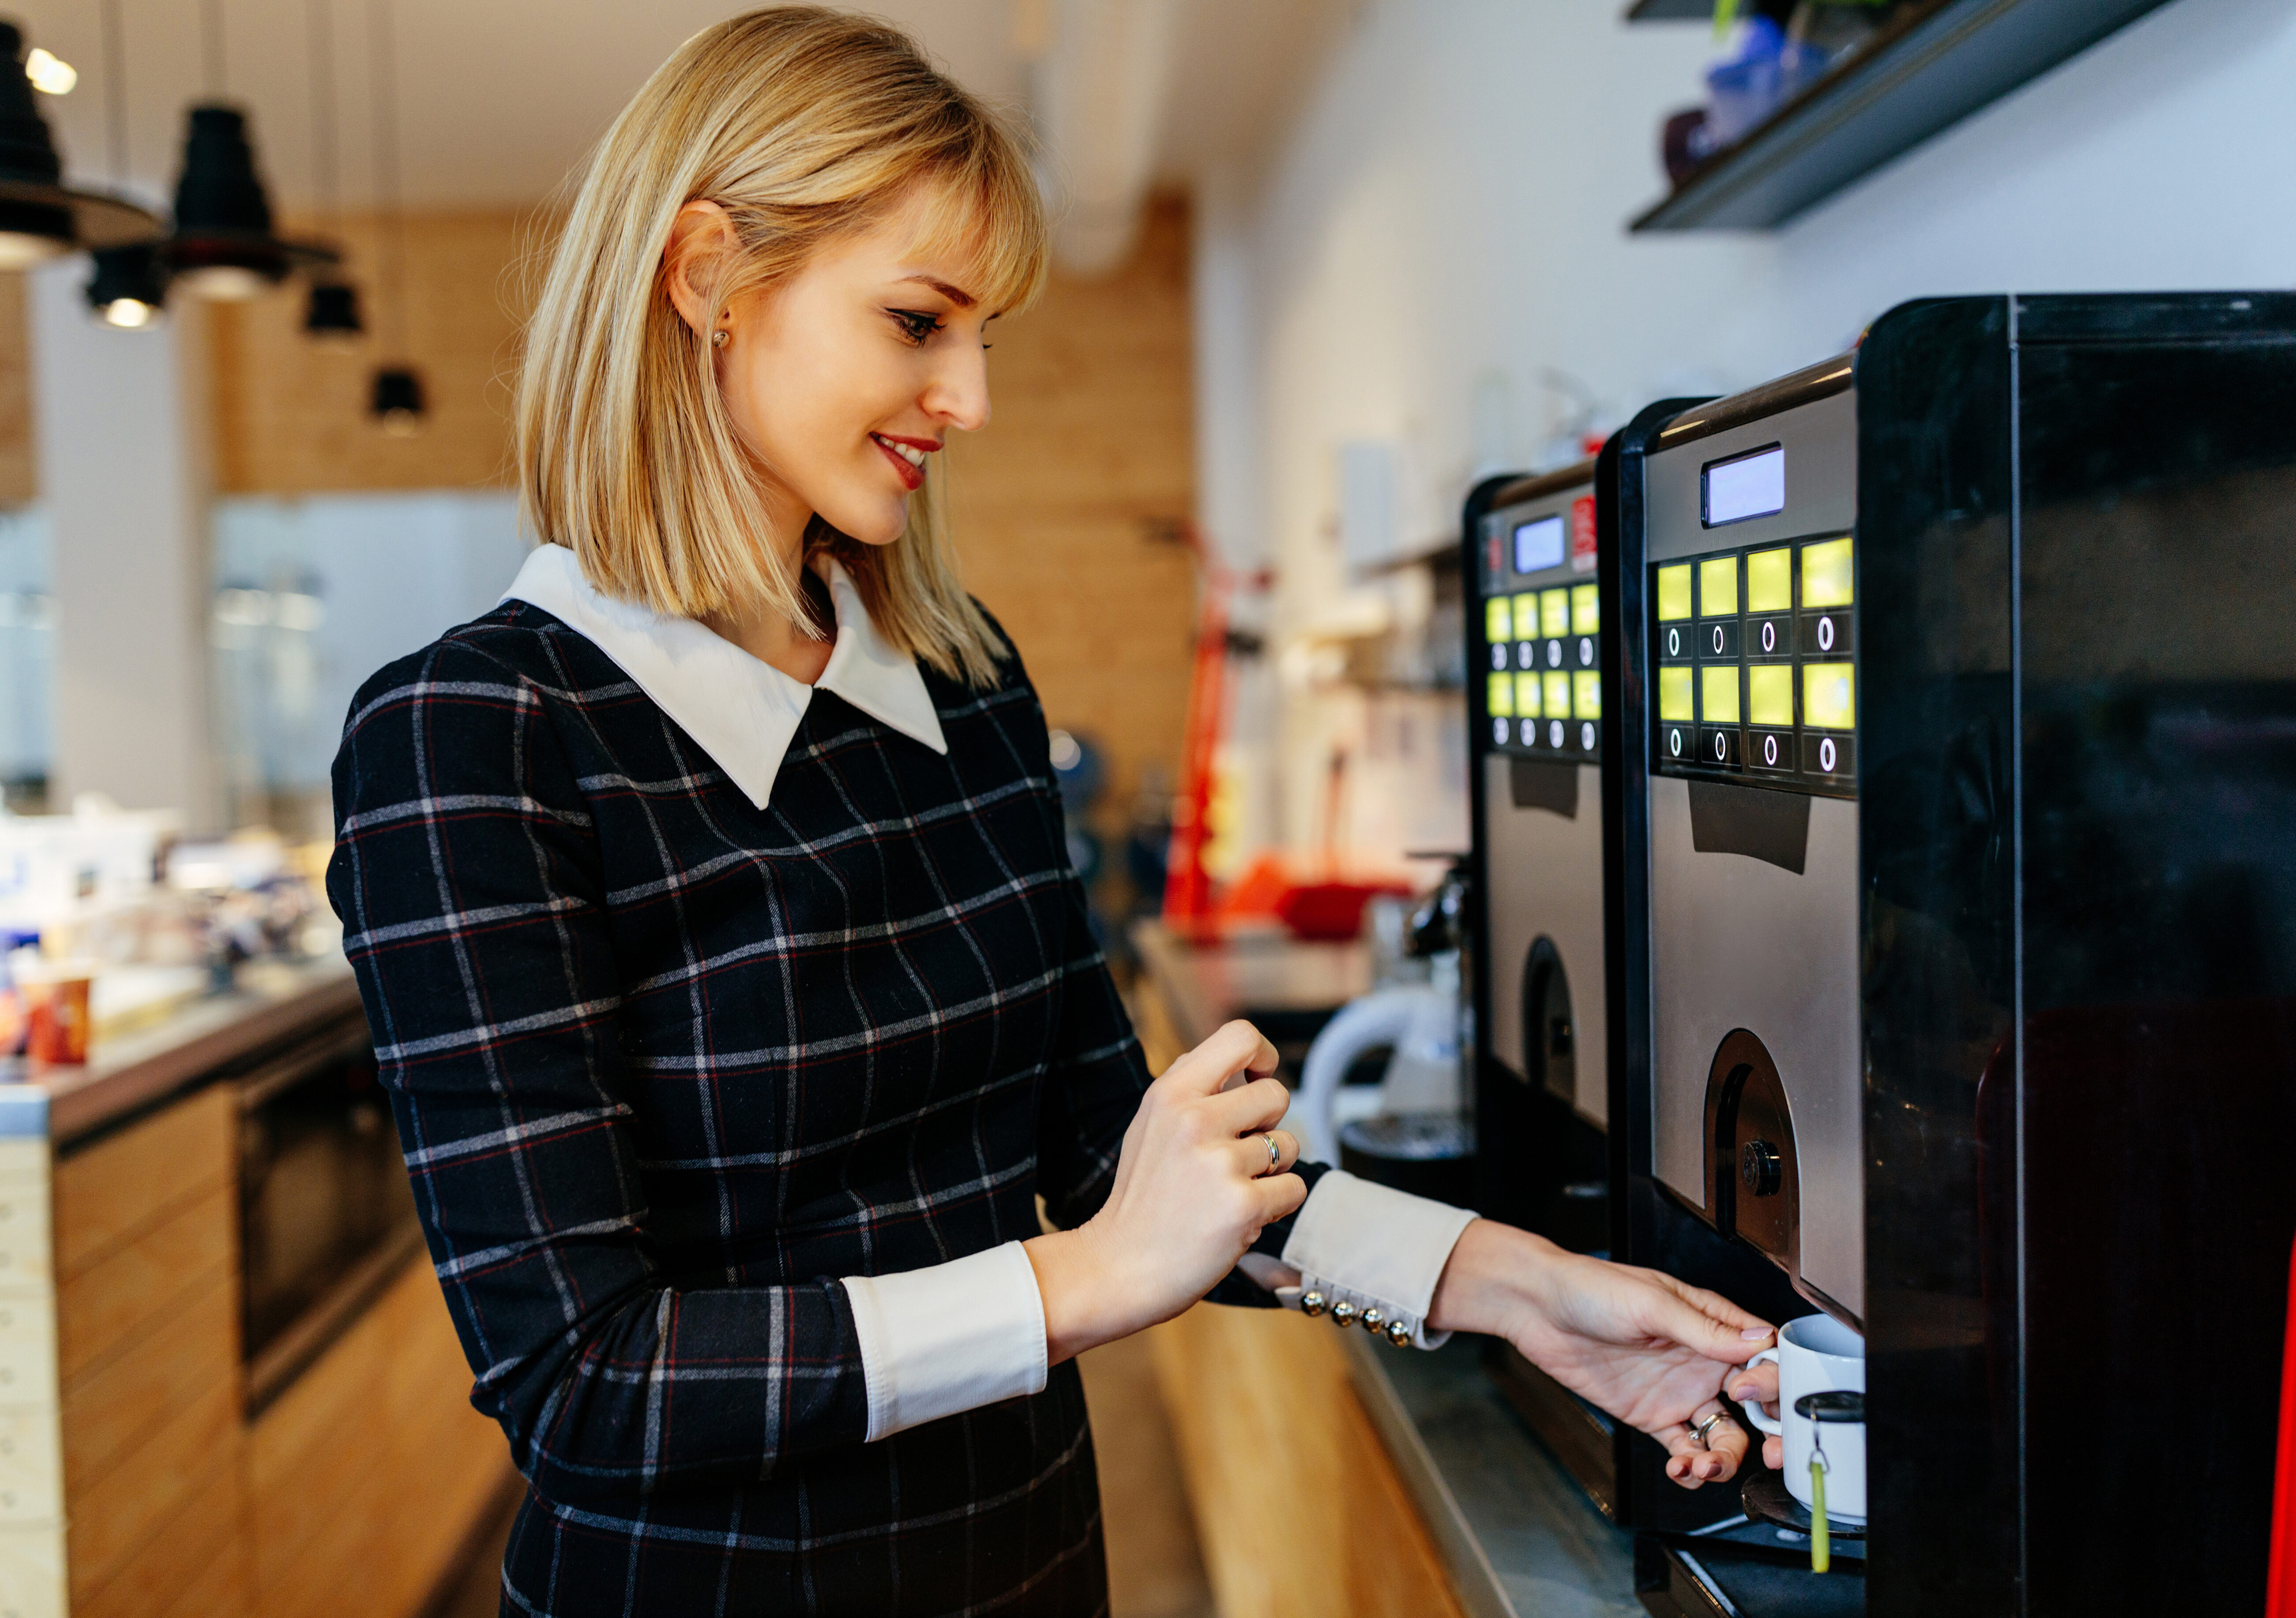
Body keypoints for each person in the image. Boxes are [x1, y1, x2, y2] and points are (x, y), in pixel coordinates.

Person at [327, 11, 1779, 1615]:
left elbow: (1113, 1155)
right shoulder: (477, 734)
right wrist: (1083, 1284)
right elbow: (587, 1374)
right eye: (914, 320)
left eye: (984, 336)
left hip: (1028, 1562)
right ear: (704, 277)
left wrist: (1507, 1283)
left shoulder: (959, 678)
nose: (969, 397)